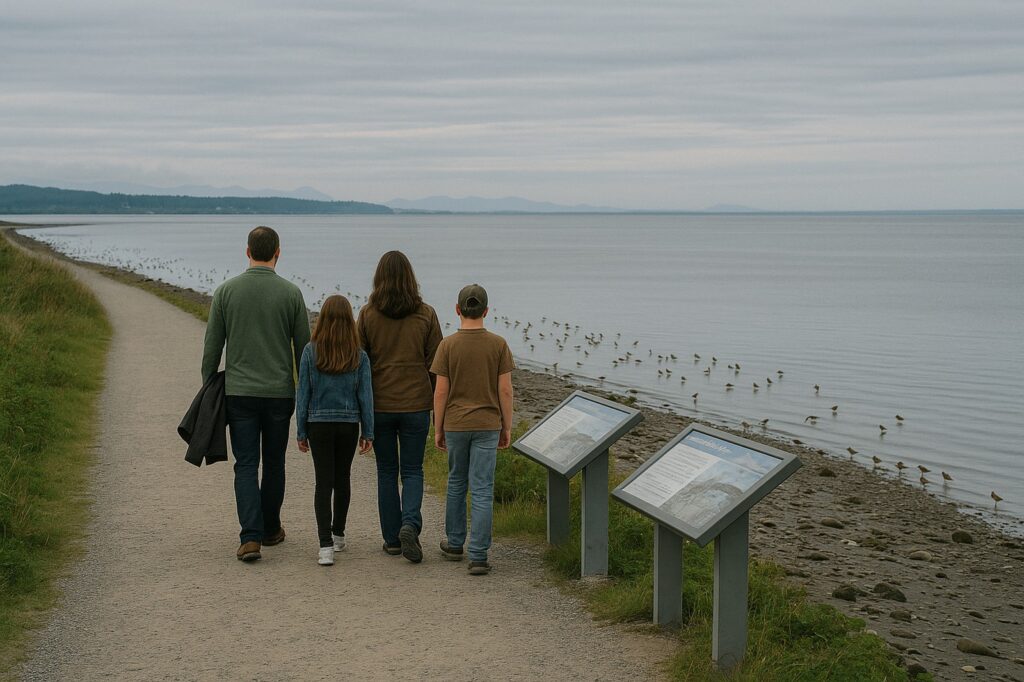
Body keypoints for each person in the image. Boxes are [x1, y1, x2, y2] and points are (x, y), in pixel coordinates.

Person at [201, 226, 310, 562]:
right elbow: (304, 351)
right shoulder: (292, 294)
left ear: (246, 251)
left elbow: (212, 348)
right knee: (275, 463)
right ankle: (271, 527)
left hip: (240, 393)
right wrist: (304, 394)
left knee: (246, 464)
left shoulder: (225, 292)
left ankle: (250, 537)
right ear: (278, 252)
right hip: (279, 394)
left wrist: (209, 388)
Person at [357, 251, 443, 562]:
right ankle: (411, 524)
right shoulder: (426, 314)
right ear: (410, 277)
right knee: (412, 470)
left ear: (378, 278)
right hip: (416, 404)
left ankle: (393, 539)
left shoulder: (367, 315)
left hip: (380, 405)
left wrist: (360, 411)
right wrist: (438, 411)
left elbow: (359, 365)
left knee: (386, 471)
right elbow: (437, 365)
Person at [431, 284, 514, 575]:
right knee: (482, 489)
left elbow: (441, 392)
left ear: (457, 310)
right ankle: (478, 555)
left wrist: (438, 427)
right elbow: (505, 390)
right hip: (487, 425)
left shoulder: (448, 345)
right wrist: (507, 425)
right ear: (486, 311)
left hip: (455, 424)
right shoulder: (498, 345)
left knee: (456, 483)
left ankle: (455, 543)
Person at [296, 295, 374, 566]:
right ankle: (338, 534)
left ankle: (324, 546)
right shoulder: (358, 354)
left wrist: (300, 430)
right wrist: (369, 431)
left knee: (323, 482)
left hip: (318, 423)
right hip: (348, 424)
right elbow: (366, 396)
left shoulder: (310, 351)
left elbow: (303, 393)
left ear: (324, 319)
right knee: (342, 479)